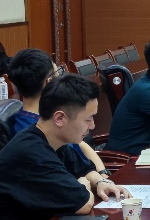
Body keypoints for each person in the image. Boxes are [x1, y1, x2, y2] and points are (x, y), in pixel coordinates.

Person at [0, 74, 129, 220]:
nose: (92, 126)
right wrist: (82, 185)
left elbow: (85, 169)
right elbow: (83, 204)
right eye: (88, 119)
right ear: (60, 118)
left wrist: (101, 182)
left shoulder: (53, 140)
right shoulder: (32, 153)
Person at [6, 48, 111, 177]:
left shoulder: (41, 117)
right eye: (58, 73)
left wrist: (102, 174)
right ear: (49, 82)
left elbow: (80, 145)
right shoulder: (40, 129)